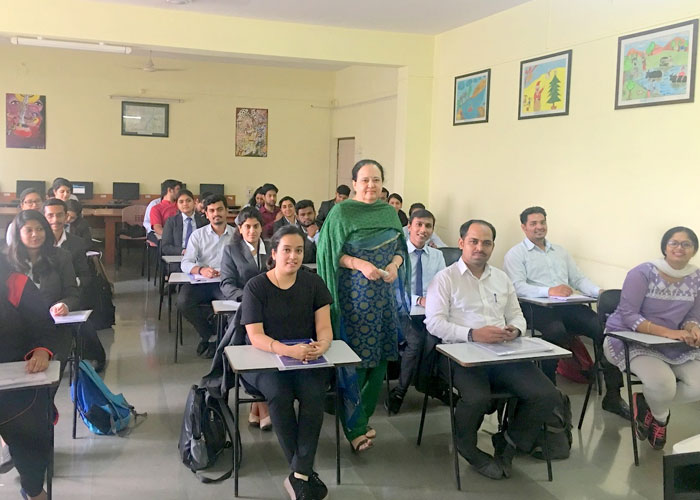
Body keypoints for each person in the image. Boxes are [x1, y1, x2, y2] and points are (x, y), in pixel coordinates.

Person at [425, 219, 559, 480]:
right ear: (461, 243)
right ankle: (467, 447)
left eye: (486, 243)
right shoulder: (445, 279)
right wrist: (472, 334)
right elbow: (434, 323)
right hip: (460, 354)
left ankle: (509, 442)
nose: (480, 248)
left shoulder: (501, 278)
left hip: (502, 352)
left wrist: (515, 330)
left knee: (546, 394)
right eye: (473, 242)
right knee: (477, 397)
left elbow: (517, 315)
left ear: (493, 247)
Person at [317, 159, 409, 453]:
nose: (371, 185)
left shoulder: (388, 212)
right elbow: (329, 252)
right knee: (355, 361)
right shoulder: (341, 212)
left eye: (376, 180)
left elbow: (400, 248)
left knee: (380, 358)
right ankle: (354, 427)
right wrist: (359, 264)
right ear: (354, 183)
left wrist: (395, 265)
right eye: (365, 180)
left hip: (383, 298)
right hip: (353, 299)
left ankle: (362, 416)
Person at [503, 206, 628, 419]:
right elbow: (517, 286)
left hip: (567, 305)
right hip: (536, 307)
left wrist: (599, 293)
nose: (539, 227)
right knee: (555, 332)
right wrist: (548, 291)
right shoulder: (515, 254)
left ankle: (613, 395)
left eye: (542, 222)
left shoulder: (560, 251)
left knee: (605, 329)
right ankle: (549, 393)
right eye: (533, 223)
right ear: (524, 227)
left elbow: (577, 279)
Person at [241, 225, 333, 500]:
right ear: (274, 253)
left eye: (299, 251)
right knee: (279, 395)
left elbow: (324, 327)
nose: (293, 256)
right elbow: (255, 336)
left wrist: (323, 344)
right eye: (287, 250)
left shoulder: (313, 283)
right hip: (265, 358)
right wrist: (286, 350)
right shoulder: (256, 286)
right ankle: (303, 472)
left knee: (314, 394)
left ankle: (298, 475)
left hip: (305, 356)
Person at [604, 227, 700, 450]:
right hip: (628, 339)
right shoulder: (642, 273)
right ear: (665, 247)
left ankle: (646, 402)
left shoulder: (697, 277)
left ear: (694, 250)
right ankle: (661, 418)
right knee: (663, 383)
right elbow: (628, 315)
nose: (679, 248)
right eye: (674, 243)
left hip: (672, 344)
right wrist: (668, 332)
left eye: (686, 244)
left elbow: (693, 315)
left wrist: (693, 328)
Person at [0, 254, 56, 500]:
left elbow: (43, 325)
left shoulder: (17, 284)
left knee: (29, 438)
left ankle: (33, 490)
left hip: (18, 381)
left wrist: (41, 351)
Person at [385, 209, 446, 414]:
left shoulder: (437, 255)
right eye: (419, 224)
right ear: (409, 226)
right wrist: (419, 300)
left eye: (428, 226)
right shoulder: (397, 256)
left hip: (430, 310)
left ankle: (425, 383)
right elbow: (394, 289)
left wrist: (433, 302)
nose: (423, 229)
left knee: (434, 339)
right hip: (403, 310)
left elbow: (442, 285)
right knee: (416, 341)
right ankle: (401, 391)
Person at [220, 207, 272, 430]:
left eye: (256, 226)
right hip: (243, 311)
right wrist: (249, 298)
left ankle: (255, 407)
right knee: (252, 348)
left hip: (270, 311)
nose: (252, 231)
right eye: (247, 227)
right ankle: (263, 406)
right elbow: (226, 285)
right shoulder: (231, 250)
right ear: (240, 229)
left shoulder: (271, 248)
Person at [6, 210, 79, 368]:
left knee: (50, 365)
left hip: (53, 324)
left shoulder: (61, 257)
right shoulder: (6, 261)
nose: (35, 235)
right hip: (15, 329)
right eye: (29, 230)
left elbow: (73, 293)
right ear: (18, 233)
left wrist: (64, 305)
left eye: (40, 229)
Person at [178, 194, 235, 358]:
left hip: (225, 282)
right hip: (201, 282)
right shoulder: (198, 235)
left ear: (226, 211)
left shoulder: (237, 235)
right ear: (206, 214)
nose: (216, 214)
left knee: (233, 306)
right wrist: (201, 270)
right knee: (183, 302)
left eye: (220, 209)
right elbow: (185, 263)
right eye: (212, 211)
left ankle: (222, 339)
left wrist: (229, 270)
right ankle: (209, 335)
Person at [161, 189, 208, 257]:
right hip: (178, 257)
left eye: (188, 201)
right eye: (181, 202)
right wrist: (183, 251)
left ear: (194, 202)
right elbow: (165, 247)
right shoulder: (171, 221)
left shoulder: (203, 221)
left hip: (199, 257)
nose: (185, 204)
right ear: (177, 204)